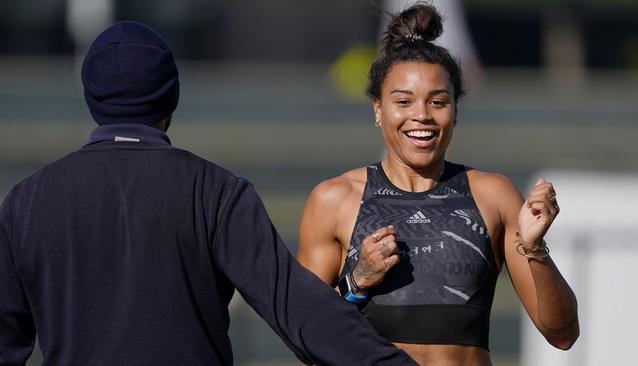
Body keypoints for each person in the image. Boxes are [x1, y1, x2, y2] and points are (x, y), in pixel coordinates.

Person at [0, 21, 417, 366]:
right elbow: (299, 310)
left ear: (91, 98)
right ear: (172, 96)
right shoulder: (214, 191)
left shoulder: (25, 202)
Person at [297, 4, 579, 366]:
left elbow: (563, 334)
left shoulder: (492, 195)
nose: (422, 116)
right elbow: (305, 343)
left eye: (438, 101)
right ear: (378, 109)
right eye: (403, 101)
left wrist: (534, 246)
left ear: (456, 111)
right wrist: (356, 282)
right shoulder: (334, 199)